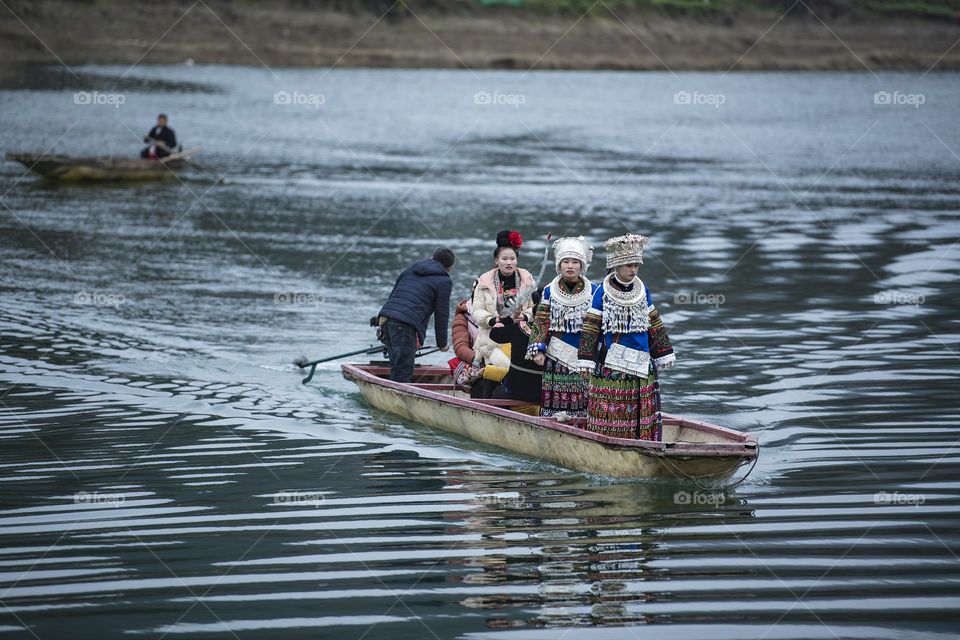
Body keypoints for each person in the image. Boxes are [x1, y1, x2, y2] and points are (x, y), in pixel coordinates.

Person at [577, 234, 676, 440]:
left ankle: (644, 443)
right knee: (613, 413)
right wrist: (586, 360)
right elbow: (591, 328)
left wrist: (663, 352)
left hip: (642, 362)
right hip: (613, 364)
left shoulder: (642, 290)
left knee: (643, 412)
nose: (633, 270)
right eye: (629, 265)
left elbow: (654, 323)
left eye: (636, 266)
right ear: (617, 265)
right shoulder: (601, 293)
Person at [526, 236, 599, 418]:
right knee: (555, 400)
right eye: (566, 261)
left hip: (585, 356)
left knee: (584, 398)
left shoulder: (595, 290)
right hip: (556, 354)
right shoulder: (550, 291)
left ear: (582, 266)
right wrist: (538, 350)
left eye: (575, 262)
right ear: (559, 265)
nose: (570, 266)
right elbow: (541, 321)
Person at [378, 248, 455, 382]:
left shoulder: (410, 270)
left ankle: (388, 396)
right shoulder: (444, 281)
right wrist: (442, 343)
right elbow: (441, 315)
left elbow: (393, 297)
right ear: (449, 268)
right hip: (404, 324)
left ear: (432, 257)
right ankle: (398, 401)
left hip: (385, 319)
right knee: (403, 369)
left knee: (396, 366)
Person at [471, 229, 535, 367]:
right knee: (501, 369)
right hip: (491, 340)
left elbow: (534, 308)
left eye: (512, 259)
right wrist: (494, 320)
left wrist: (524, 317)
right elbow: (477, 311)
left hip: (520, 336)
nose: (509, 263)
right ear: (496, 260)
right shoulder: (483, 282)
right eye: (504, 259)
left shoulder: (527, 280)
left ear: (517, 260)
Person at [489, 289, 545, 415]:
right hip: (543, 394)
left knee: (495, 392)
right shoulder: (558, 335)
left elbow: (495, 334)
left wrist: (511, 317)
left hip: (513, 391)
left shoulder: (519, 328)